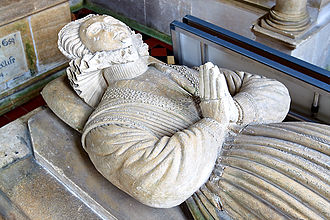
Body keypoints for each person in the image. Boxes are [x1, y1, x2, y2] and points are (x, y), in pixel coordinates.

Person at [56, 14, 330, 219]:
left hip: (279, 141)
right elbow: (158, 181)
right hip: (241, 179)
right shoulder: (110, 118)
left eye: (111, 21)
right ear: (88, 56)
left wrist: (235, 111)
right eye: (96, 30)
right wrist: (213, 122)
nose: (111, 26)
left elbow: (274, 90)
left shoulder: (181, 72)